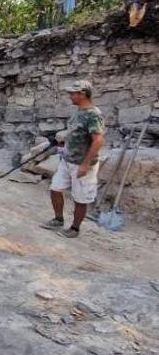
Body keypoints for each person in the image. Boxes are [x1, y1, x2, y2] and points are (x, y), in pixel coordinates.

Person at [41, 81, 105, 238]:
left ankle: (74, 229)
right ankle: (58, 219)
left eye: (72, 93)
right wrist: (65, 142)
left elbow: (98, 140)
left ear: (82, 94)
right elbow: (77, 132)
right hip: (68, 159)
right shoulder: (78, 111)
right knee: (55, 188)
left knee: (80, 198)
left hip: (83, 164)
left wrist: (85, 164)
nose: (70, 96)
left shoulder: (93, 114)